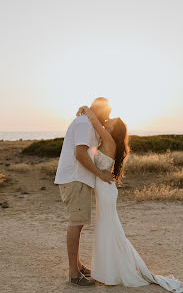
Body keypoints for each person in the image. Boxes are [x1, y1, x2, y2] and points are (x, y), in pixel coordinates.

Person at [75, 105, 183, 292]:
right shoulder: (107, 141)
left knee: (108, 229)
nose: (107, 120)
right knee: (106, 228)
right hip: (104, 189)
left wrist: (87, 109)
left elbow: (95, 122)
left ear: (113, 129)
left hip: (105, 190)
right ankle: (107, 272)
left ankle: (112, 273)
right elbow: (94, 149)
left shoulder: (109, 139)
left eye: (111, 121)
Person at [54, 97, 113, 287]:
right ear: (100, 111)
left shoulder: (88, 122)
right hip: (75, 178)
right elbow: (80, 154)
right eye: (107, 114)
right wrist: (100, 175)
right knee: (76, 223)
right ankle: (73, 274)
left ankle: (78, 266)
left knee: (78, 223)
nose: (107, 118)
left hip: (78, 178)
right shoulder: (85, 124)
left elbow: (89, 152)